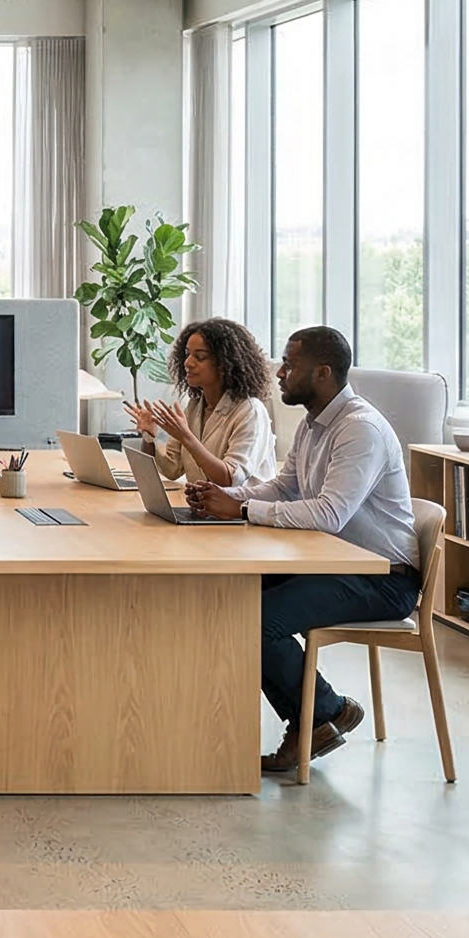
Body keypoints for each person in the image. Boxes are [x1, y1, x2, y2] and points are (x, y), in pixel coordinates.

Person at [184, 325, 419, 777]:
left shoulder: (359, 430)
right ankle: (315, 717)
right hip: (333, 562)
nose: (278, 371)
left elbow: (329, 514)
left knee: (253, 618)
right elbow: (285, 487)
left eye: (290, 365)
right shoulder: (314, 423)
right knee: (229, 595)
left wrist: (244, 510)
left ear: (322, 373)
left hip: (383, 578)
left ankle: (319, 715)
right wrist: (230, 497)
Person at [126, 317, 279, 489]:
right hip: (205, 511)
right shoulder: (193, 407)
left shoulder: (250, 411)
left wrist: (185, 436)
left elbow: (231, 479)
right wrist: (149, 436)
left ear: (225, 363)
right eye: (187, 355)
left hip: (243, 512)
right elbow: (172, 469)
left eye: (200, 357)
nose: (187, 363)